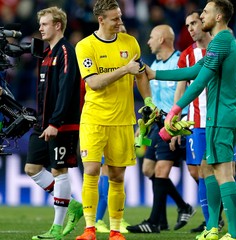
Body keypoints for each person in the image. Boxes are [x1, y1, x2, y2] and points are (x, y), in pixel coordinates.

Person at [146, 1, 236, 239]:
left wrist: (175, 110)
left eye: (205, 12)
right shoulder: (229, 42)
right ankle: (212, 227)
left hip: (220, 115)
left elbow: (200, 81)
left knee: (223, 172)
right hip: (227, 114)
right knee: (210, 169)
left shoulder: (221, 41)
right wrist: (155, 73)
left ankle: (235, 232)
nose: (202, 16)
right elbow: (192, 71)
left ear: (219, 16)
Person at [74, 0, 157, 240]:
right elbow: (94, 83)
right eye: (115, 18)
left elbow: (141, 75)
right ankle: (89, 229)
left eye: (120, 16)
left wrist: (149, 102)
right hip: (95, 118)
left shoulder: (130, 43)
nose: (120, 21)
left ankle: (114, 230)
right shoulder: (85, 46)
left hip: (123, 119)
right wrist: (124, 69)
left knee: (117, 176)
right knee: (91, 170)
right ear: (101, 20)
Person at [126, 24, 195, 234]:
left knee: (167, 170)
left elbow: (188, 94)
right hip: (157, 124)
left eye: (151, 37)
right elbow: (152, 100)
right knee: (148, 169)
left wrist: (180, 121)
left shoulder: (180, 61)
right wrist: (144, 128)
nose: (148, 41)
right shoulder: (154, 64)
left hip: (174, 124)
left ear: (162, 39)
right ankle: (179, 209)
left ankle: (154, 222)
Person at [24, 6, 83, 240]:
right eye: (40, 24)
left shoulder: (66, 52)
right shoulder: (47, 53)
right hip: (44, 123)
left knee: (60, 171)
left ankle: (57, 229)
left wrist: (56, 122)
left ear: (58, 25)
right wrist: (42, 120)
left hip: (62, 123)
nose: (40, 28)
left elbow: (67, 90)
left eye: (45, 24)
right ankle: (72, 206)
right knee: (32, 169)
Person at [172, 9, 214, 234]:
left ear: (204, 22)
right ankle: (211, 223)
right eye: (187, 25)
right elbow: (181, 89)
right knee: (199, 172)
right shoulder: (186, 55)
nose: (190, 28)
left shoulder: (220, 48)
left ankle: (223, 221)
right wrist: (175, 122)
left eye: (194, 23)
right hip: (195, 123)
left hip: (219, 121)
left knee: (227, 172)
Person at [94, 23, 130, 235]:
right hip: (102, 118)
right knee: (105, 170)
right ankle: (100, 218)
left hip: (122, 118)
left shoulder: (128, 57)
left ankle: (111, 218)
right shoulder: (100, 53)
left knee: (116, 172)